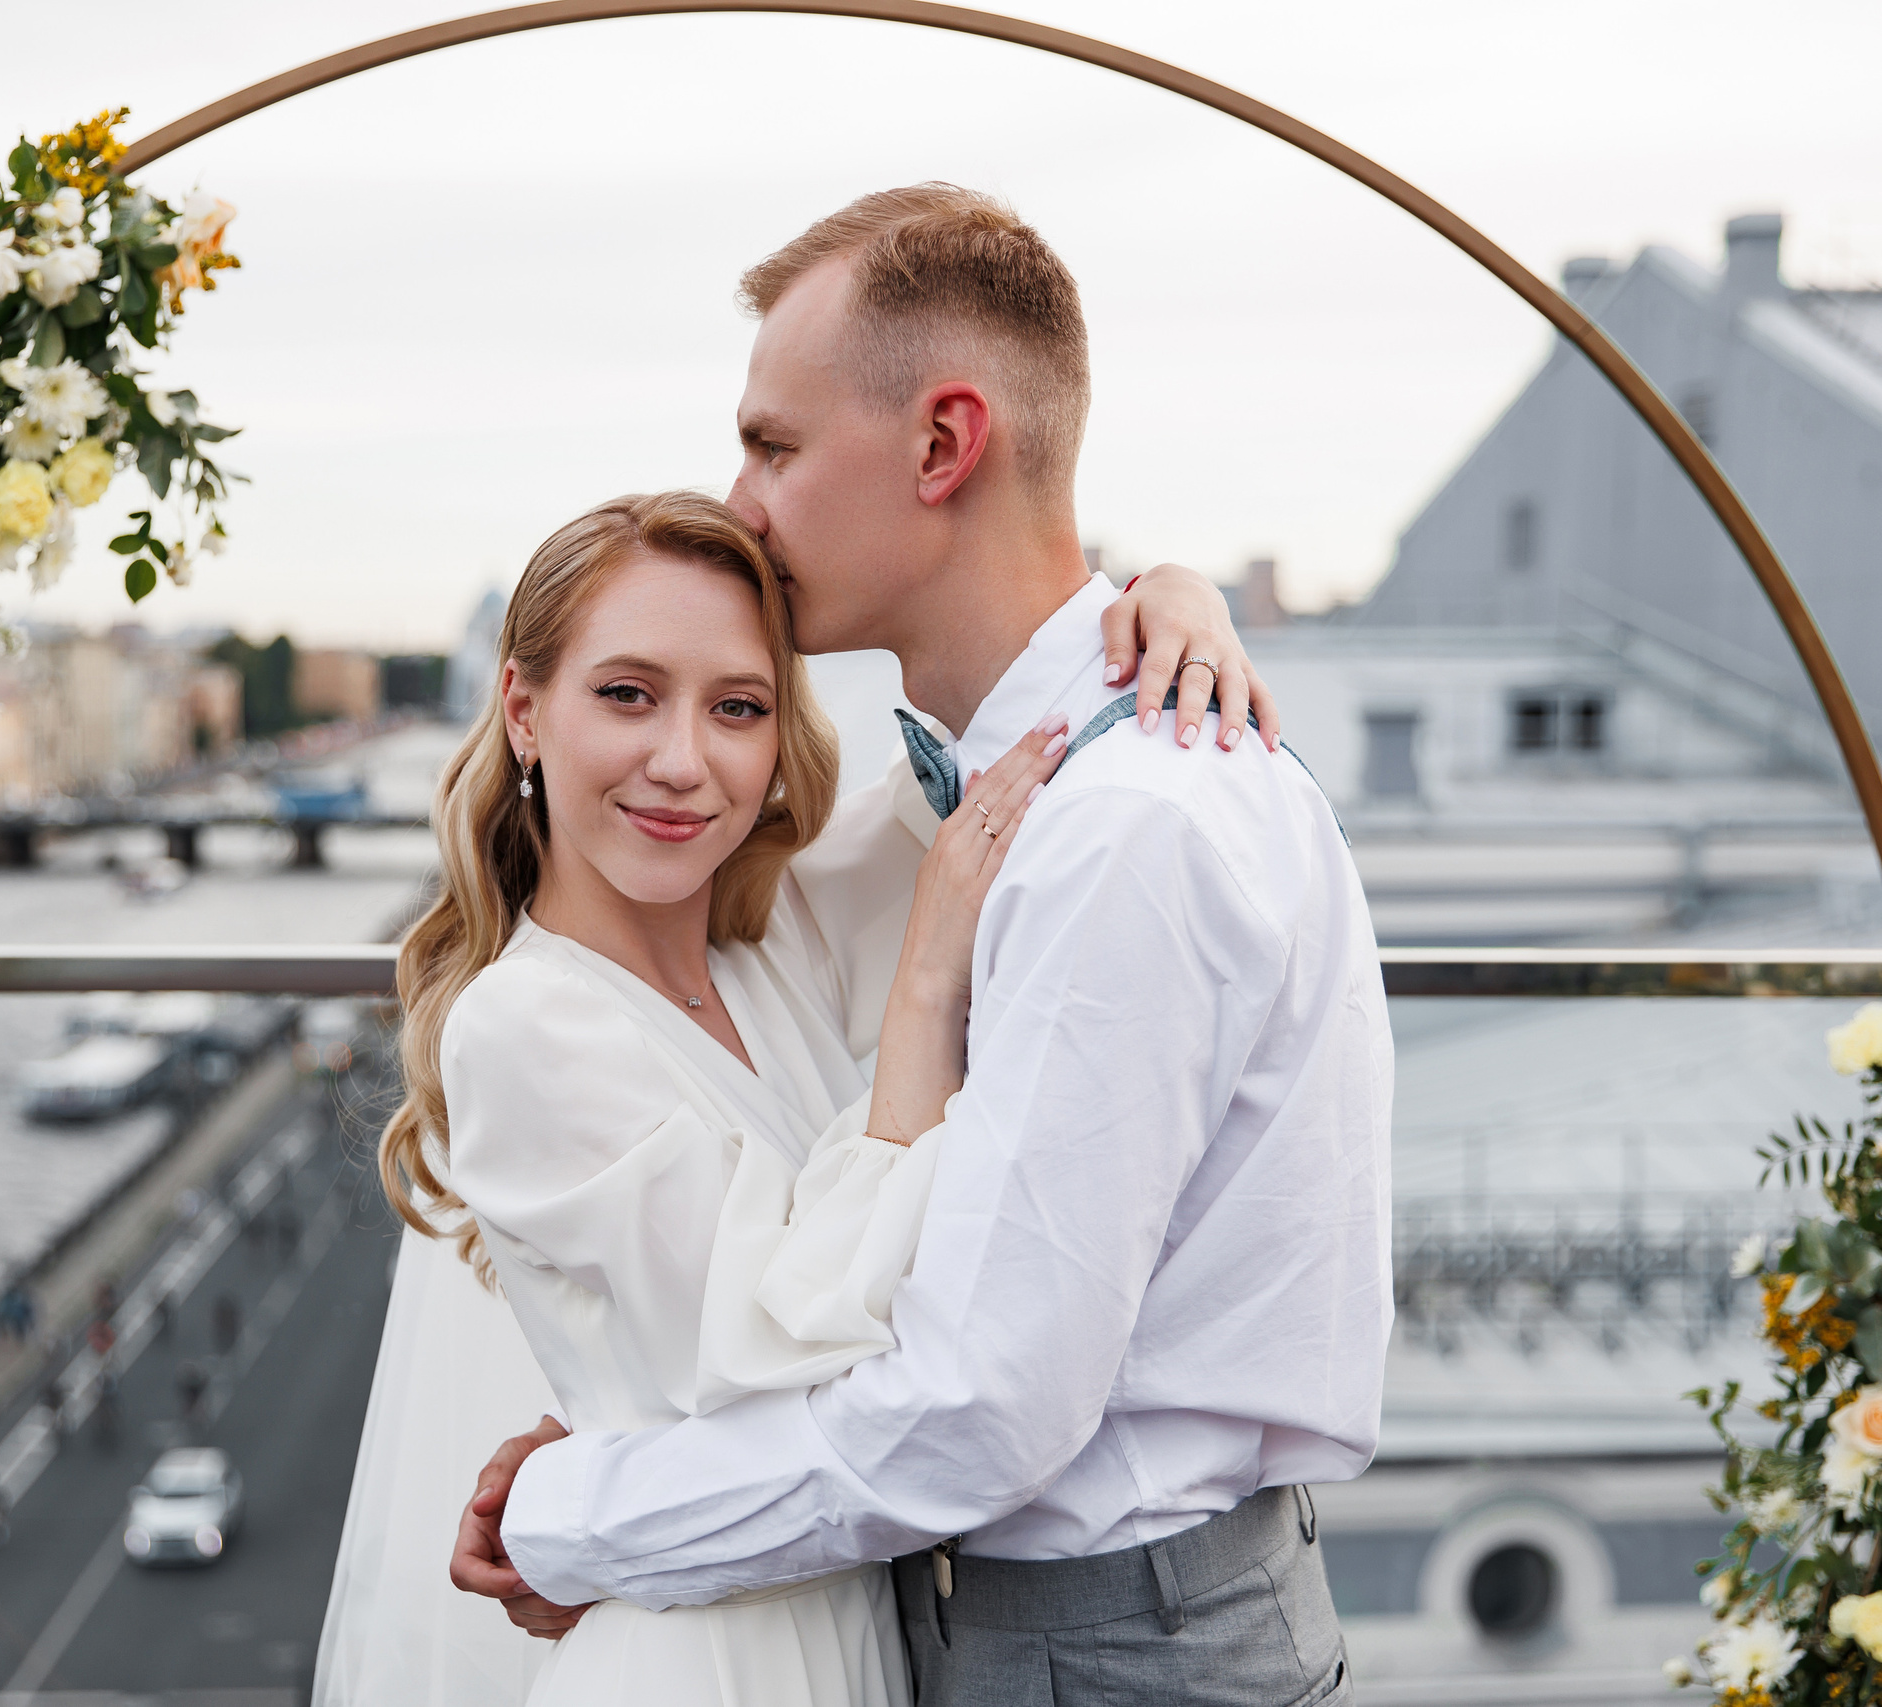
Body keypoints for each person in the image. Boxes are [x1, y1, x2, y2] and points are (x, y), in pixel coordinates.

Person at [449, 186, 1390, 1706]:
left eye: (775, 446)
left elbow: (978, 1406)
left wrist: (577, 1514)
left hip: (1095, 1646)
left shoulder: (1120, 828)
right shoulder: (1016, 798)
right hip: (1017, 1617)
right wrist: (1166, 584)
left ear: (944, 445)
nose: (742, 500)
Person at [311, 511, 1266, 1706]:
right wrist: (922, 990)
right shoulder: (524, 1027)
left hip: (846, 1616)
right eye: (625, 695)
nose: (682, 762)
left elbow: (1007, 749)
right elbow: (790, 1339)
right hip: (698, 1655)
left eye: (738, 708)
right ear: (521, 711)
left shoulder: (768, 948)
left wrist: (1173, 598)